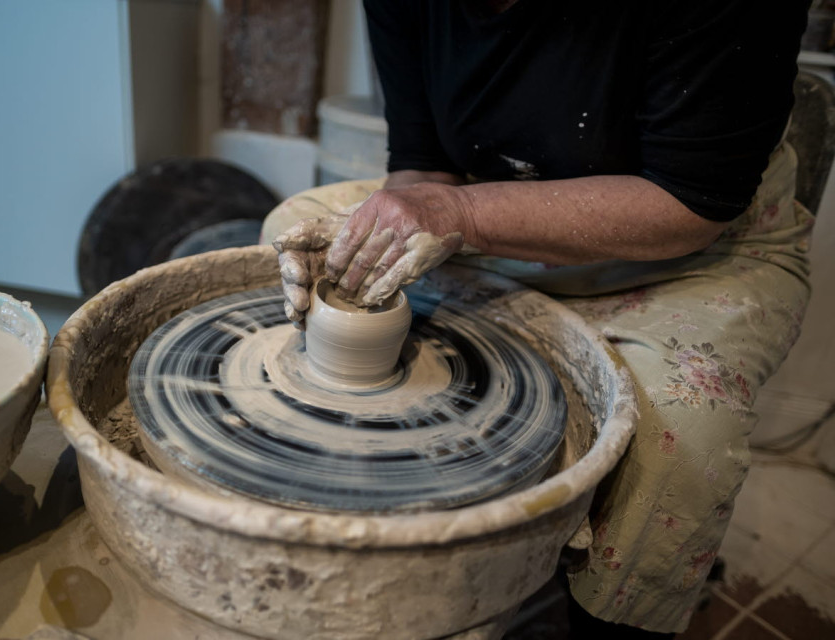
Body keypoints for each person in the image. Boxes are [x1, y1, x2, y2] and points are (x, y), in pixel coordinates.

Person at [262, 1, 814, 636]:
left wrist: (459, 215)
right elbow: (424, 159)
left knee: (682, 431)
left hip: (684, 249)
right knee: (292, 234)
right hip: (495, 218)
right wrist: (399, 233)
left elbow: (692, 201)